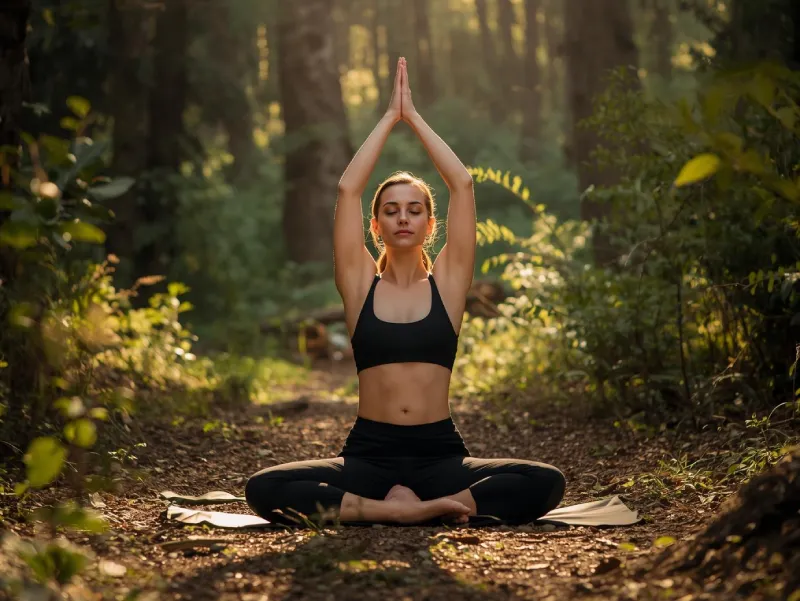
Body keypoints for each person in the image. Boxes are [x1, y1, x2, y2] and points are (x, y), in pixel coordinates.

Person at [245, 57, 565, 527]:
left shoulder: (449, 286)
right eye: (391, 210)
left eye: (414, 210)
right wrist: (386, 118)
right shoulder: (358, 286)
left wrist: (412, 118)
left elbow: (462, 182)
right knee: (265, 489)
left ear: (430, 225)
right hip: (370, 456)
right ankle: (403, 511)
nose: (402, 217)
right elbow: (348, 188)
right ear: (375, 226)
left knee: (545, 482)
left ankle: (402, 508)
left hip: (439, 456)